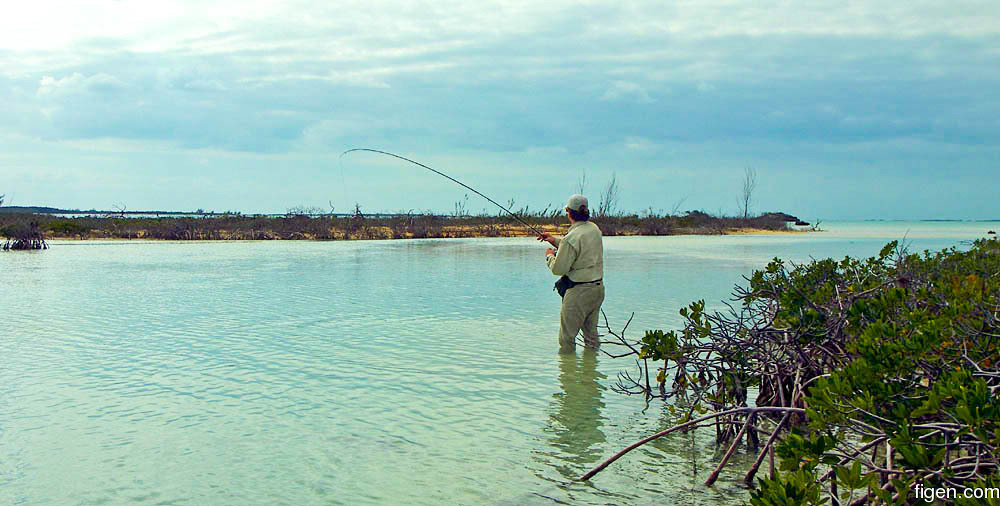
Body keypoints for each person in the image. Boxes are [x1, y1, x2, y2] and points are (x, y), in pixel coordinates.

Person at [537, 194, 604, 353]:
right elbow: (578, 248)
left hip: (579, 293)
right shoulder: (594, 229)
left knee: (566, 339)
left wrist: (549, 256)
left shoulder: (571, 237)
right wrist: (554, 240)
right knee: (591, 338)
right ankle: (591, 374)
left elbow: (558, 269)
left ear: (569, 213)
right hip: (597, 289)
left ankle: (568, 374)